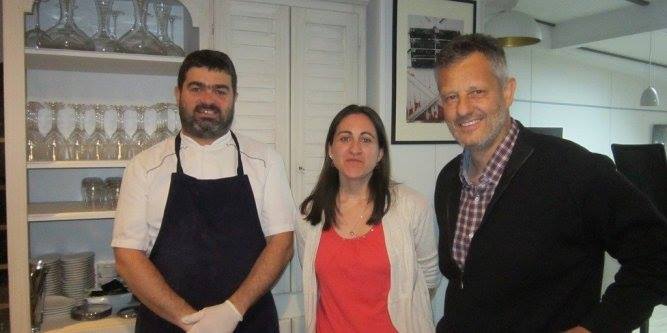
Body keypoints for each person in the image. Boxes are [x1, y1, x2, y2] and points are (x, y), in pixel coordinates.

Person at [433, 33, 667, 332]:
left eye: (477, 92)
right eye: (451, 96)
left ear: (507, 91)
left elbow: (656, 254)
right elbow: (464, 281)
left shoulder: (572, 169)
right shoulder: (449, 180)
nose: (463, 109)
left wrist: (597, 328)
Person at [111, 50, 296, 333]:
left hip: (248, 321)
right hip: (167, 324)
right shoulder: (144, 167)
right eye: (196, 88)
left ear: (234, 97)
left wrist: (232, 311)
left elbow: (282, 244)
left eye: (220, 90)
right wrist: (193, 323)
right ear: (178, 93)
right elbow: (127, 257)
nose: (208, 100)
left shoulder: (265, 161)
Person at [296, 104, 441, 333]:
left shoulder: (412, 207)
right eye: (345, 138)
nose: (355, 149)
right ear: (330, 150)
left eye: (366, 140)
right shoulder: (310, 216)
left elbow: (429, 280)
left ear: (380, 153)